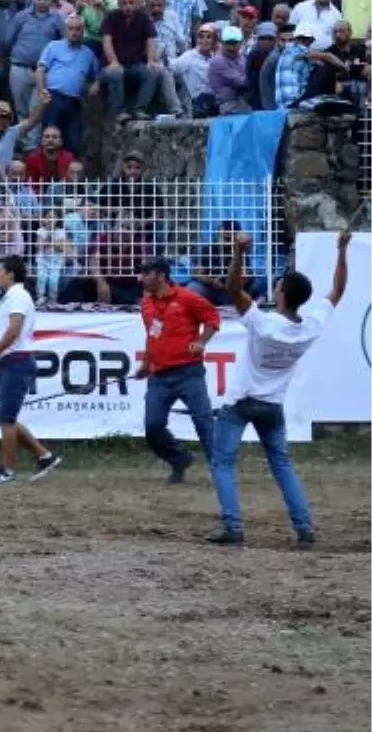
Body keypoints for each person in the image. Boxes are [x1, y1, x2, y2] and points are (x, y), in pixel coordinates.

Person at [205, 230, 349, 548]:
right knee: (282, 465)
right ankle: (304, 527)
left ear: (281, 293)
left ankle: (233, 525)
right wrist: (341, 252)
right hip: (272, 404)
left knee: (223, 462)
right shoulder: (310, 326)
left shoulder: (263, 322)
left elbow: (232, 289)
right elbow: (338, 290)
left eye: (278, 284)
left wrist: (239, 252)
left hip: (241, 399)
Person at [0, 254, 62, 485]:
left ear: (10, 273)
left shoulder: (17, 296)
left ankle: (7, 470)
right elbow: (12, 331)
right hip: (11, 361)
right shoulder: (14, 297)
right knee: (7, 418)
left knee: (6, 419)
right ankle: (45, 456)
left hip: (16, 361)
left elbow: (14, 330)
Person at [137, 257, 220, 484]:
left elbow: (212, 318)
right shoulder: (146, 304)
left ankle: (220, 471)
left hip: (188, 372)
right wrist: (146, 363)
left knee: (203, 423)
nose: (141, 278)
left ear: (161, 276)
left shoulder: (187, 297)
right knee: (153, 427)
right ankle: (179, 458)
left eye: (146, 273)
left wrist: (202, 341)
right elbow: (152, 335)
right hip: (159, 375)